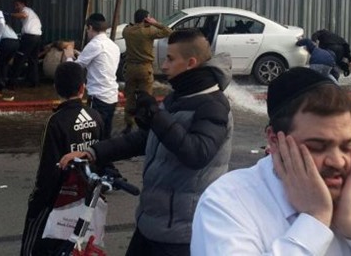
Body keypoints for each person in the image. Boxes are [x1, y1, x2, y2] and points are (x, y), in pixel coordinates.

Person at [190, 67, 351, 255]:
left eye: (347, 146)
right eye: (316, 147)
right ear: (274, 141)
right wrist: (315, 221)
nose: (338, 161)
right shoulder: (229, 201)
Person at [60, 28, 234, 256]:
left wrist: (157, 117)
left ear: (191, 63)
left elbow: (197, 153)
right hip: (151, 222)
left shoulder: (213, 105)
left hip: (181, 234)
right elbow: (144, 139)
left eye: (170, 59)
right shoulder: (178, 97)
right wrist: (92, 152)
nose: (164, 65)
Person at [20, 62, 104, 256]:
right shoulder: (95, 116)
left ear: (56, 87)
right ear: (82, 88)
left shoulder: (56, 121)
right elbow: (102, 154)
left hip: (57, 198)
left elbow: (48, 169)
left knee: (36, 245)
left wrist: (37, 200)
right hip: (87, 196)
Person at [65, 13, 120, 140]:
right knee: (106, 132)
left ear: (90, 27)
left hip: (98, 97)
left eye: (87, 29)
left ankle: (96, 152)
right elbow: (99, 62)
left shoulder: (94, 44)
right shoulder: (113, 46)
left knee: (94, 134)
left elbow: (75, 68)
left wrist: (68, 56)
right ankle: (106, 152)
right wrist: (80, 54)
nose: (87, 32)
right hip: (111, 96)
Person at [121, 9, 172, 134]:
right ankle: (144, 126)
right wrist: (155, 23)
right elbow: (169, 31)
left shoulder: (127, 31)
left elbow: (130, 28)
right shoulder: (149, 31)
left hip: (130, 68)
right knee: (146, 98)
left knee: (130, 97)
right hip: (145, 69)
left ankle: (128, 124)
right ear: (146, 19)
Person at [8, 0, 43, 89]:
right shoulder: (32, 13)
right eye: (15, 6)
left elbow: (23, 15)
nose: (16, 7)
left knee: (19, 59)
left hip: (29, 37)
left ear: (22, 4)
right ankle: (34, 82)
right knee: (33, 60)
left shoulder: (26, 10)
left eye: (17, 5)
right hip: (37, 37)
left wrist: (10, 15)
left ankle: (12, 83)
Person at [0, 20, 20, 100]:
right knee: (5, 63)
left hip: (6, 42)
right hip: (16, 43)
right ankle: (5, 83)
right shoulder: (8, 26)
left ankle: (0, 85)